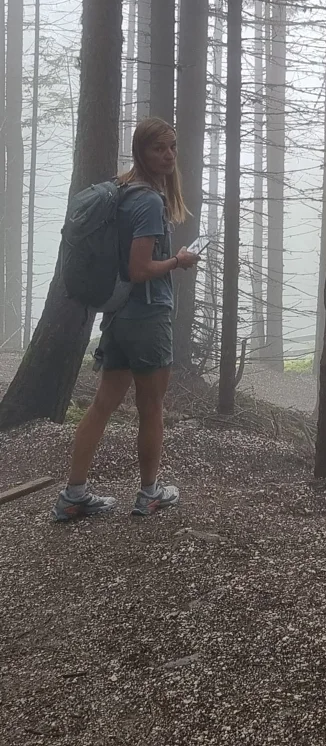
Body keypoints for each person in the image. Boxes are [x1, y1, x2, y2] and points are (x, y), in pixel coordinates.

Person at [52, 118, 200, 523]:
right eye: (158, 148)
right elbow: (139, 269)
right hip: (147, 316)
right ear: (141, 152)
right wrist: (178, 260)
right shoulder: (150, 201)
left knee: (102, 405)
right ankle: (150, 494)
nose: (168, 155)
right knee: (151, 408)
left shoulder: (121, 190)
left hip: (117, 316)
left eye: (171, 147)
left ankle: (74, 494)